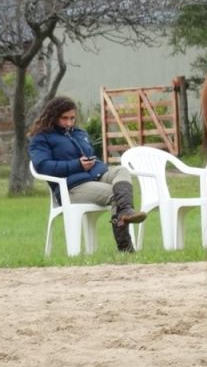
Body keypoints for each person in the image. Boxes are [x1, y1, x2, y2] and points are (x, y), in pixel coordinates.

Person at [28, 96, 146, 253]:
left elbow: (91, 155)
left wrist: (92, 164)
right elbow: (43, 166)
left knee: (121, 170)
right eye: (64, 118)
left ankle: (125, 211)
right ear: (53, 115)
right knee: (115, 194)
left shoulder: (78, 133)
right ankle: (125, 248)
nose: (69, 123)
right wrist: (77, 165)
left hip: (94, 175)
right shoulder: (41, 138)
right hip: (71, 187)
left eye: (72, 118)